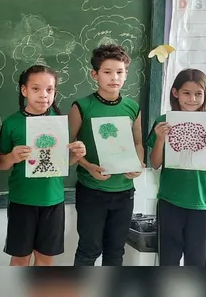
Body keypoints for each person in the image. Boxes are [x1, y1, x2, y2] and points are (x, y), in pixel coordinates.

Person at [0, 65, 86, 266]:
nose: (43, 95)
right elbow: (0, 163)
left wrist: (77, 154)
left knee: (45, 259)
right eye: (36, 89)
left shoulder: (61, 123)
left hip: (53, 201)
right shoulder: (12, 123)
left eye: (49, 89)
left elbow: (64, 163)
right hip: (23, 201)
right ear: (24, 90)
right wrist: (12, 157)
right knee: (20, 258)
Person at [67, 44, 144, 266]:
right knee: (89, 250)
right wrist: (89, 165)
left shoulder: (132, 107)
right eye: (107, 72)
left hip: (124, 192)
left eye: (120, 72)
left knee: (115, 252)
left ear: (126, 74)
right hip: (92, 190)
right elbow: (68, 147)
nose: (114, 78)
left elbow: (138, 143)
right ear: (95, 74)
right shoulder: (81, 106)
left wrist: (137, 164)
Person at [148, 68, 206, 266]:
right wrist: (160, 139)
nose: (192, 99)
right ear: (175, 93)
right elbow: (155, 163)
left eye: (198, 94)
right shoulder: (163, 121)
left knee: (197, 259)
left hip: (200, 202)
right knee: (168, 258)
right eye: (187, 93)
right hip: (170, 200)